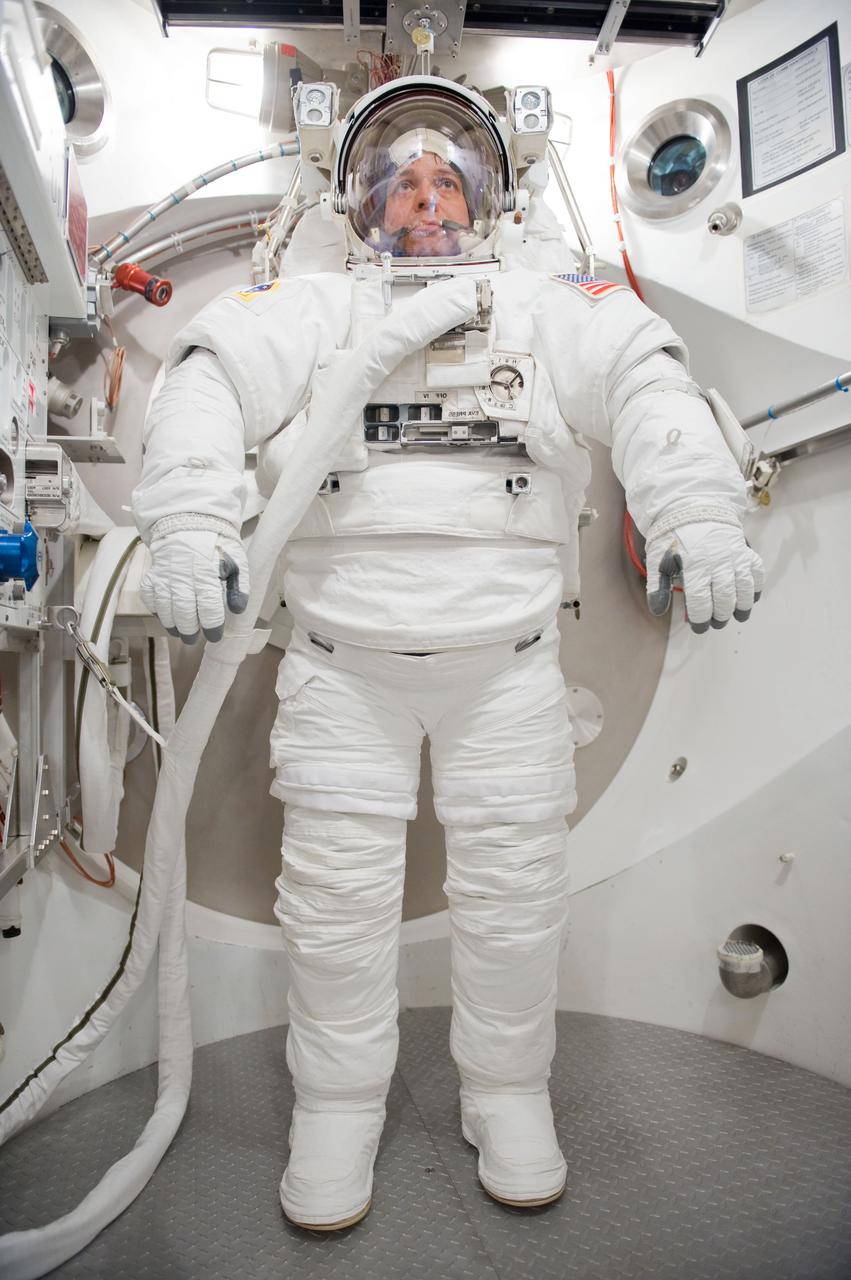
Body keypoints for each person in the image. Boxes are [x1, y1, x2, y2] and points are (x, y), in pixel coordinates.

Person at [132, 76, 763, 1231]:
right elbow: (208, 378)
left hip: (506, 669)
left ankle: (507, 1093)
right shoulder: (310, 305)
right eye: (400, 183)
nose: (423, 201)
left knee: (515, 902)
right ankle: (334, 1107)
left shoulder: (551, 300)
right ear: (362, 207)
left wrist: (698, 513)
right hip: (341, 666)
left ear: (484, 202)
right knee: (334, 906)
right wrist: (185, 520)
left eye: (445, 181)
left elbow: (645, 383)